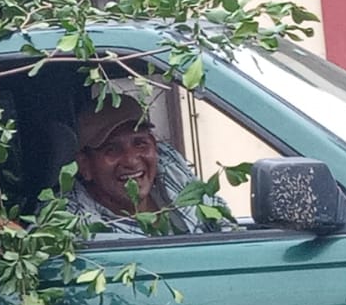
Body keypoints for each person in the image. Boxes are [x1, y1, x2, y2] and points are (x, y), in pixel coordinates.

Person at [66, 96, 231, 236]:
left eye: (140, 144)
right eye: (112, 150)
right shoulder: (76, 226)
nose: (131, 161)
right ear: (85, 165)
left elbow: (221, 220)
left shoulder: (168, 164)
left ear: (154, 145)